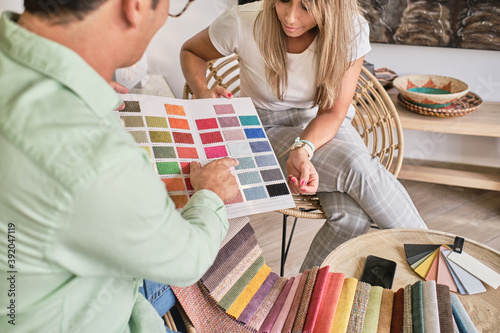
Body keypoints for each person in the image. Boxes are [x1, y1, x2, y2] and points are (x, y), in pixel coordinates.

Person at [0, 0, 239, 332]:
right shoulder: (97, 159)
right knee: (215, 251)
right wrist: (210, 193)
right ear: (136, 6)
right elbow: (188, 259)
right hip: (92, 314)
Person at [180, 0, 427, 271]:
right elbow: (191, 50)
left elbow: (333, 112)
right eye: (284, 1)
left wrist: (303, 149)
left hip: (325, 120)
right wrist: (202, 91)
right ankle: (437, 264)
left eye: (306, 8)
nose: (291, 17)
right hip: (264, 126)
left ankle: (303, 298)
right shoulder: (243, 21)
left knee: (352, 218)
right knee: (355, 166)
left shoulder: (351, 28)